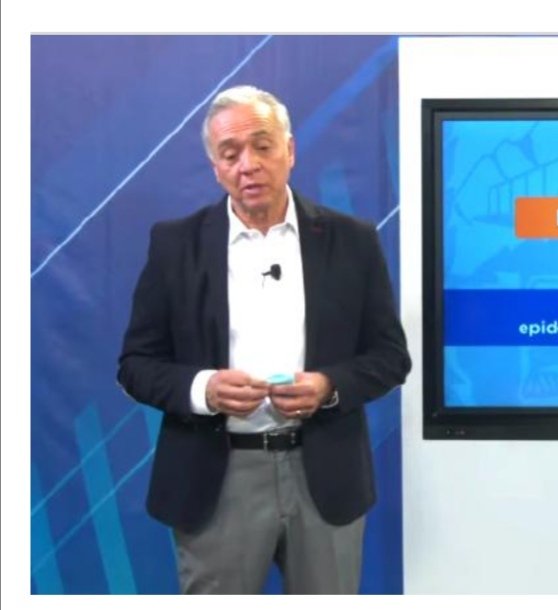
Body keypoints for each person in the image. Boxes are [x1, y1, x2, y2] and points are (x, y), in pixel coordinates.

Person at [117, 85, 411, 594]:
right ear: (216, 168)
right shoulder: (176, 245)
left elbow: (390, 356)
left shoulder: (351, 240)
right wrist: (205, 389)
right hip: (216, 477)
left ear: (289, 151)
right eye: (230, 154)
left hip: (325, 475)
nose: (248, 165)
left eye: (262, 146)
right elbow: (137, 364)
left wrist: (328, 386)